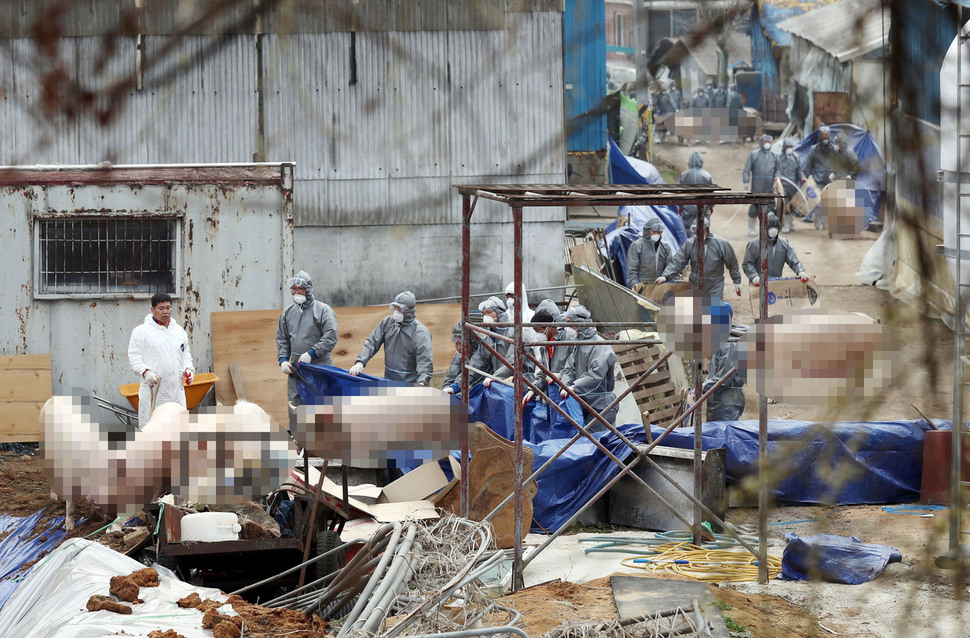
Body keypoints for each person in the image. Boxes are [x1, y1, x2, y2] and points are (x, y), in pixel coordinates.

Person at [276, 270, 338, 421]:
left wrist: (312, 353)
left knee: (320, 406)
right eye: (294, 289)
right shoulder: (288, 313)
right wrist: (283, 359)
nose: (296, 292)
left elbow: (330, 337)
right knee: (295, 406)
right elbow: (282, 338)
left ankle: (322, 440)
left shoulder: (323, 311)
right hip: (296, 370)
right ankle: (299, 441)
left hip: (318, 368)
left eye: (300, 289)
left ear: (308, 289)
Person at [127, 292, 195, 427]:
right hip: (154, 392)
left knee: (179, 429)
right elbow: (134, 357)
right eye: (161, 308)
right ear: (152, 310)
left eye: (168, 308)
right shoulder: (141, 332)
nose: (166, 312)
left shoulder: (179, 331)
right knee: (153, 428)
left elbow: (185, 354)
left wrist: (189, 370)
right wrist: (146, 372)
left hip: (176, 391)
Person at [349, 291, 433, 386]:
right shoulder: (388, 323)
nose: (396, 312)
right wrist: (360, 362)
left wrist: (422, 382)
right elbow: (372, 342)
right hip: (388, 380)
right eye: (394, 307)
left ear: (409, 310)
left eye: (399, 308)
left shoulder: (420, 333)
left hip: (409, 384)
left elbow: (425, 360)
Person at [559, 306, 617, 428]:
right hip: (583, 402)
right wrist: (565, 386)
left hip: (601, 405)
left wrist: (574, 387)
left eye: (569, 323)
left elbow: (596, 374)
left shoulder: (600, 346)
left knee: (599, 442)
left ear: (579, 323)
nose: (567, 327)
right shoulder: (578, 344)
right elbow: (568, 368)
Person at [656, 217, 742, 300]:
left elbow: (732, 263)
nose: (699, 233)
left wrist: (737, 281)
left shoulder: (721, 244)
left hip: (715, 285)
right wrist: (666, 276)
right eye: (696, 231)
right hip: (695, 283)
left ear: (707, 230)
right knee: (697, 310)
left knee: (713, 310)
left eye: (701, 231)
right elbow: (678, 261)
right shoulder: (690, 243)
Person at [703, 303, 746, 422]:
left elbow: (723, 379)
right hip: (720, 399)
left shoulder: (730, 343)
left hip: (726, 401)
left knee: (722, 437)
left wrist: (700, 389)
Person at [741, 213, 810, 286]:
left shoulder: (784, 243)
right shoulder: (754, 244)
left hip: (776, 284)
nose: (773, 230)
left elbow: (793, 259)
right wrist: (754, 276)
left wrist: (800, 271)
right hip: (758, 284)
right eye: (770, 227)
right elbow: (747, 264)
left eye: (775, 227)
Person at [467, 296, 516, 387]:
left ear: (499, 313)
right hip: (499, 384)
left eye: (489, 312)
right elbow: (476, 364)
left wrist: (495, 377)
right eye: (483, 314)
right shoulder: (488, 340)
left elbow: (512, 363)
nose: (486, 316)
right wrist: (457, 384)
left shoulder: (514, 334)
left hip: (519, 382)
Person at [742, 134, 779, 236]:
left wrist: (777, 177)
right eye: (765, 141)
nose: (767, 143)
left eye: (769, 141)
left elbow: (778, 170)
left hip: (769, 186)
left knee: (770, 207)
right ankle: (751, 228)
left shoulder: (775, 156)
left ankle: (770, 229)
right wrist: (746, 183)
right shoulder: (754, 154)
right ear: (761, 142)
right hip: (757, 186)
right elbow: (746, 170)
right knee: (754, 207)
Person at [626, 218, 673, 292]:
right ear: (647, 231)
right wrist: (635, 286)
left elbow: (670, 267)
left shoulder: (665, 247)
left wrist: (667, 279)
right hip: (642, 287)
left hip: (660, 287)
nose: (657, 234)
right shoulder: (637, 246)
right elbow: (632, 270)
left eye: (659, 232)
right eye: (654, 231)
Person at [774, 137, 806, 233]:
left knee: (792, 206)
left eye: (791, 147)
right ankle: (786, 225)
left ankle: (791, 223)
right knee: (785, 206)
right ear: (784, 147)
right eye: (788, 147)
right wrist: (777, 177)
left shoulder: (796, 157)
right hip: (783, 186)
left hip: (793, 186)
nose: (789, 148)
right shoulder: (779, 157)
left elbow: (799, 171)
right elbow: (777, 170)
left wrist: (803, 178)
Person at [677, 151, 713, 232]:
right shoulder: (707, 175)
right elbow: (712, 193)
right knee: (704, 229)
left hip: (688, 209)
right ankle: (702, 244)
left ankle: (690, 244)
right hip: (704, 207)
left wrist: (680, 206)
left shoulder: (683, 175)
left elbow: (678, 192)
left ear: (689, 162)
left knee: (688, 231)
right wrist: (711, 205)